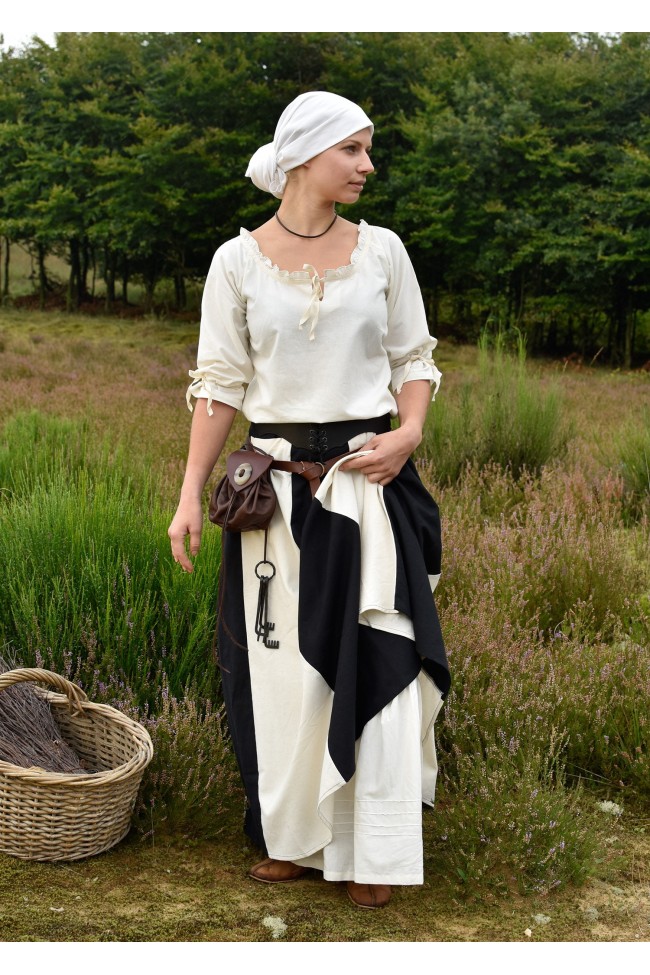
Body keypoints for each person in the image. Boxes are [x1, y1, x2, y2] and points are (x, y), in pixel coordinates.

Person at [168, 91, 450, 910]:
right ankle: (295, 837)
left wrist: (411, 432)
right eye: (354, 151)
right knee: (283, 676)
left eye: (369, 151)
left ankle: (376, 851)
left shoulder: (384, 251)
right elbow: (218, 387)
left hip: (368, 485)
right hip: (277, 493)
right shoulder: (238, 262)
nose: (368, 165)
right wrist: (191, 493)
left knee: (376, 659)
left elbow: (415, 358)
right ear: (306, 156)